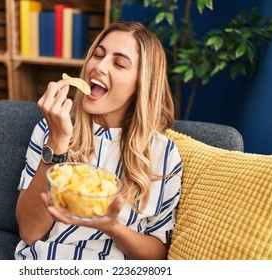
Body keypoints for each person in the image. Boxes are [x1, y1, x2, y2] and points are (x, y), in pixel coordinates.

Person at [15, 22, 182, 260]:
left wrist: (111, 226)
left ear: (141, 84)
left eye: (119, 63)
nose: (99, 67)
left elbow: (157, 254)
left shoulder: (164, 154)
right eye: (98, 55)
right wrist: (58, 142)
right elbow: (29, 232)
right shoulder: (49, 129)